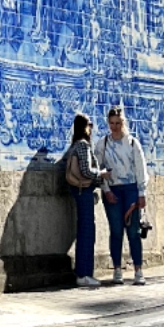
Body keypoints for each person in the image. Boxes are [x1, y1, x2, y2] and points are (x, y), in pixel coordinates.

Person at [96, 106, 147, 286]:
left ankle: (138, 270)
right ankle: (117, 268)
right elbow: (98, 168)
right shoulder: (102, 143)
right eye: (111, 123)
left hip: (131, 188)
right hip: (113, 189)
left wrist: (141, 192)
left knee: (133, 230)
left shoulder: (132, 143)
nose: (115, 127)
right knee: (116, 230)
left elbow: (140, 169)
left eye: (118, 123)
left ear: (123, 123)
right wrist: (106, 190)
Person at [63, 114, 99, 287]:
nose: (92, 128)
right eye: (90, 124)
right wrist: (101, 175)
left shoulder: (73, 146)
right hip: (84, 190)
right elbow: (86, 171)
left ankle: (82, 272)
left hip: (76, 190)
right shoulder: (83, 146)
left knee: (83, 229)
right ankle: (85, 273)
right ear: (85, 127)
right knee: (87, 231)